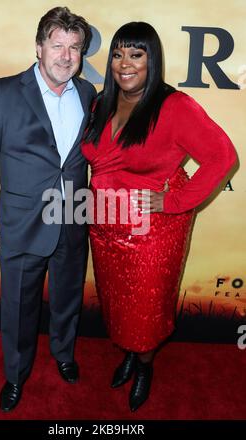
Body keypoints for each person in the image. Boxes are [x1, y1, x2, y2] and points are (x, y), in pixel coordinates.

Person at [82, 22, 237, 412]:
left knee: (146, 311)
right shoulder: (101, 104)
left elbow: (223, 157)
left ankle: (145, 366)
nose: (124, 64)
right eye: (117, 54)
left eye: (136, 54)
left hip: (152, 233)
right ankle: (131, 356)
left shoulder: (175, 107)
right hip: (103, 228)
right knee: (117, 303)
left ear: (153, 60)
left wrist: (173, 201)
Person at [0, 6, 96, 412]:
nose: (65, 55)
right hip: (22, 222)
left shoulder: (89, 95)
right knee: (19, 306)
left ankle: (63, 354)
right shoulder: (2, 93)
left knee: (68, 295)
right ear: (38, 47)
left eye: (74, 47)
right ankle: (16, 374)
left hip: (72, 215)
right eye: (57, 45)